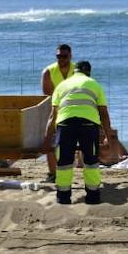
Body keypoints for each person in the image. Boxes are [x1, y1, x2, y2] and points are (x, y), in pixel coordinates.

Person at [42, 60, 111, 205]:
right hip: (88, 125)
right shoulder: (94, 84)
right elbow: (104, 113)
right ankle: (93, 197)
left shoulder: (62, 86)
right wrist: (108, 136)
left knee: (64, 162)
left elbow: (52, 116)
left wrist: (47, 140)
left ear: (74, 71)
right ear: (88, 73)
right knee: (91, 161)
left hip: (65, 124)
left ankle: (63, 197)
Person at [41, 44, 76, 181]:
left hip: (74, 110)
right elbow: (49, 96)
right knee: (51, 140)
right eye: (58, 56)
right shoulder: (48, 72)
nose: (61, 59)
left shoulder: (77, 70)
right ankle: (53, 173)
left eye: (64, 56)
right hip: (56, 110)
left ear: (70, 56)